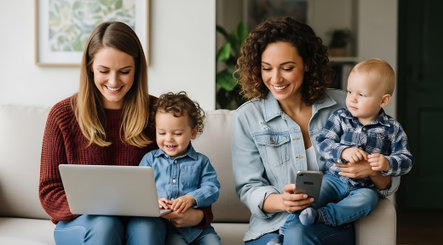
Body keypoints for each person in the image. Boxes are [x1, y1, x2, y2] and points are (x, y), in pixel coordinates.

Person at [39, 21, 213, 245]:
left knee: (147, 229)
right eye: (104, 71)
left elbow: (189, 174)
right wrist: (102, 209)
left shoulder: (157, 114)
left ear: (137, 69)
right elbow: (49, 192)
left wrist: (199, 215)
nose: (113, 81)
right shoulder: (62, 115)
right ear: (90, 67)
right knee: (105, 225)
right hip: (83, 223)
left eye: (124, 72)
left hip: (142, 222)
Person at [232, 16, 400, 245]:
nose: (276, 78)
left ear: (307, 63)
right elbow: (249, 188)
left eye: (287, 68)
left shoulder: (346, 106)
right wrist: (282, 201)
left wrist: (369, 170)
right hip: (271, 227)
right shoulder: (248, 117)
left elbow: (390, 180)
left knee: (299, 232)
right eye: (266, 68)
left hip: (327, 224)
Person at [281, 58, 413, 230]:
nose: (352, 99)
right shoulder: (340, 117)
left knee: (368, 201)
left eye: (361, 94)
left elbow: (406, 160)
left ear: (383, 100)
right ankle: (283, 234)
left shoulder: (392, 129)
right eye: (350, 92)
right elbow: (323, 142)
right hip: (333, 179)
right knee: (307, 195)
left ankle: (323, 216)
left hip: (364, 188)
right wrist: (343, 151)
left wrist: (387, 163)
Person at [139, 91, 221, 245]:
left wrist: (191, 198)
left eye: (177, 133)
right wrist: (154, 201)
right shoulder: (149, 160)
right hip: (170, 230)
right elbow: (139, 191)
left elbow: (212, 188)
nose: (168, 139)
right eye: (162, 133)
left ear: (193, 132)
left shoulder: (202, 162)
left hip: (201, 230)